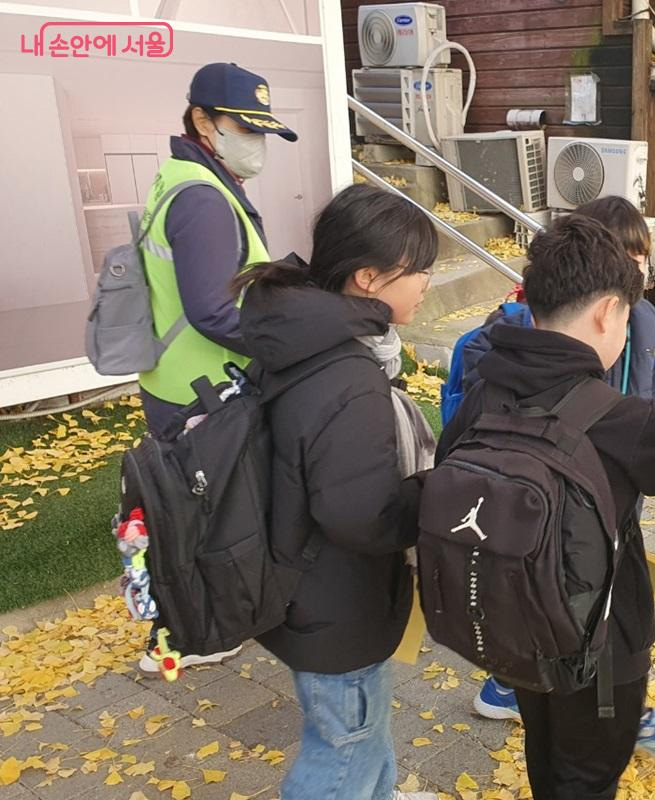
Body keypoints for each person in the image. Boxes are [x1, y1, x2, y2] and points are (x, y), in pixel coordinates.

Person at [438, 215, 655, 799]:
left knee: (547, 756)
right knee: (588, 778)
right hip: (600, 645)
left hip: (513, 623)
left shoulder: (485, 386)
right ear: (606, 312)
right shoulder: (618, 417)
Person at [235, 184, 435, 800]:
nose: (427, 282)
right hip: (335, 599)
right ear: (369, 278)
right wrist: (438, 491)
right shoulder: (344, 373)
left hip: (305, 580)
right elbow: (361, 512)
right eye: (417, 270)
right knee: (342, 750)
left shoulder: (304, 335)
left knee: (360, 730)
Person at [135, 61, 297, 675]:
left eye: (262, 131)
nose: (255, 144)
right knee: (203, 521)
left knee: (186, 516)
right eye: (244, 128)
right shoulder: (202, 197)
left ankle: (182, 630)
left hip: (177, 382)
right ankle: (189, 636)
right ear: (202, 120)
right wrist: (284, 338)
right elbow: (211, 310)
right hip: (201, 390)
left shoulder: (187, 177)